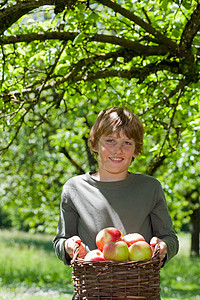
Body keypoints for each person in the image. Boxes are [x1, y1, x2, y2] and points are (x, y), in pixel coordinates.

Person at [53, 106, 179, 285]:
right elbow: (61, 241)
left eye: (127, 143)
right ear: (95, 144)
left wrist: (164, 247)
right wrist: (68, 247)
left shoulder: (150, 188)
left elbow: (170, 238)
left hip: (139, 290)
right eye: (110, 140)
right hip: (92, 289)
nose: (118, 150)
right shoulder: (74, 188)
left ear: (136, 150)